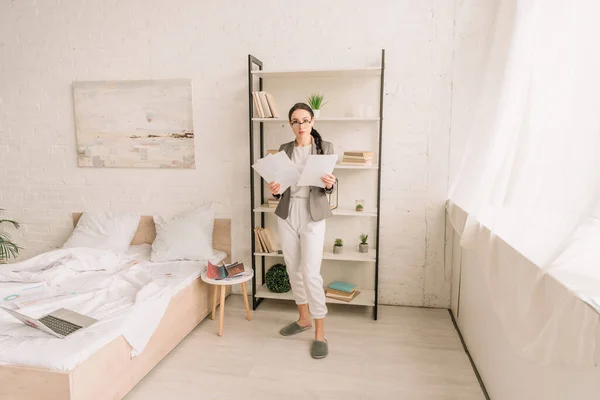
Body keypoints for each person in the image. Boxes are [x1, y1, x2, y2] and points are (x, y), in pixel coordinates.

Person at [268, 102, 337, 359]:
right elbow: (280, 186)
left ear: (312, 122)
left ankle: (320, 333)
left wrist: (330, 185)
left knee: (311, 274)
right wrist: (274, 190)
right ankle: (303, 319)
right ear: (290, 124)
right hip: (287, 213)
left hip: (313, 216)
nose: (300, 126)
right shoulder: (284, 149)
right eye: (295, 121)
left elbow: (327, 185)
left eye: (305, 120)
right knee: (293, 269)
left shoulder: (325, 148)